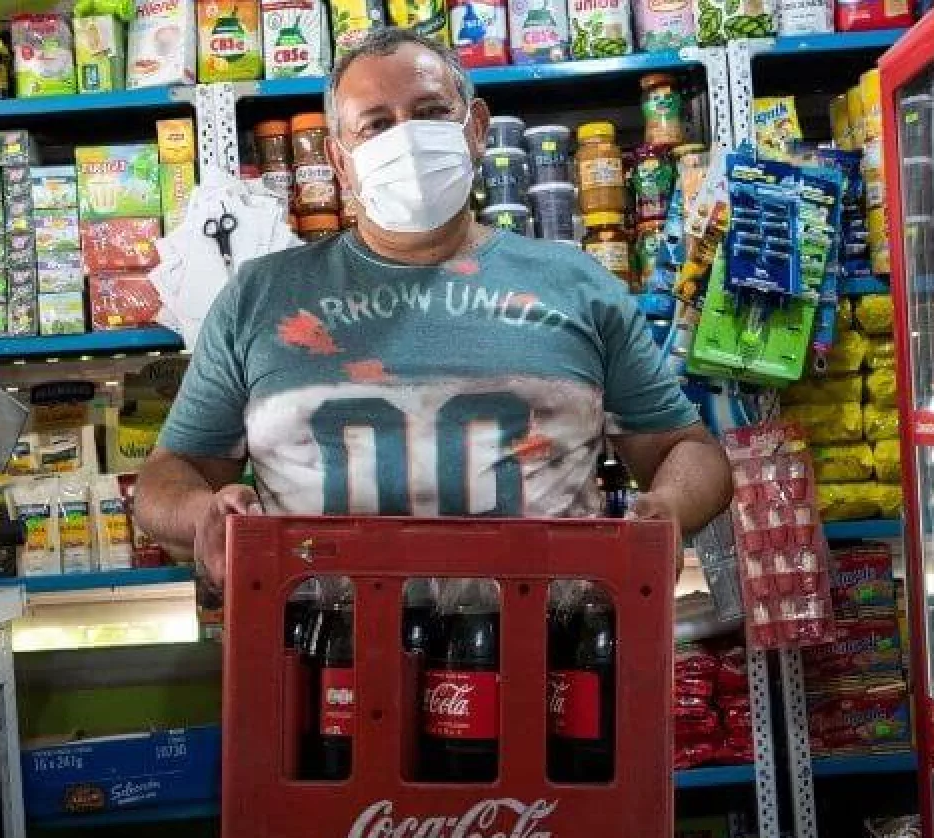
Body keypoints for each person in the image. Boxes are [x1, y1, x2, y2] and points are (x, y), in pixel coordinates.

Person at [134, 29, 732, 588]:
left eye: (430, 112)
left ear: (476, 128)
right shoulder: (258, 296)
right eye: (375, 125)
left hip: (547, 640)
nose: (407, 138)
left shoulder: (578, 284)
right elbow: (169, 475)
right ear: (340, 162)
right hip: (321, 642)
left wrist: (667, 509)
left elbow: (689, 450)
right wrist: (203, 513)